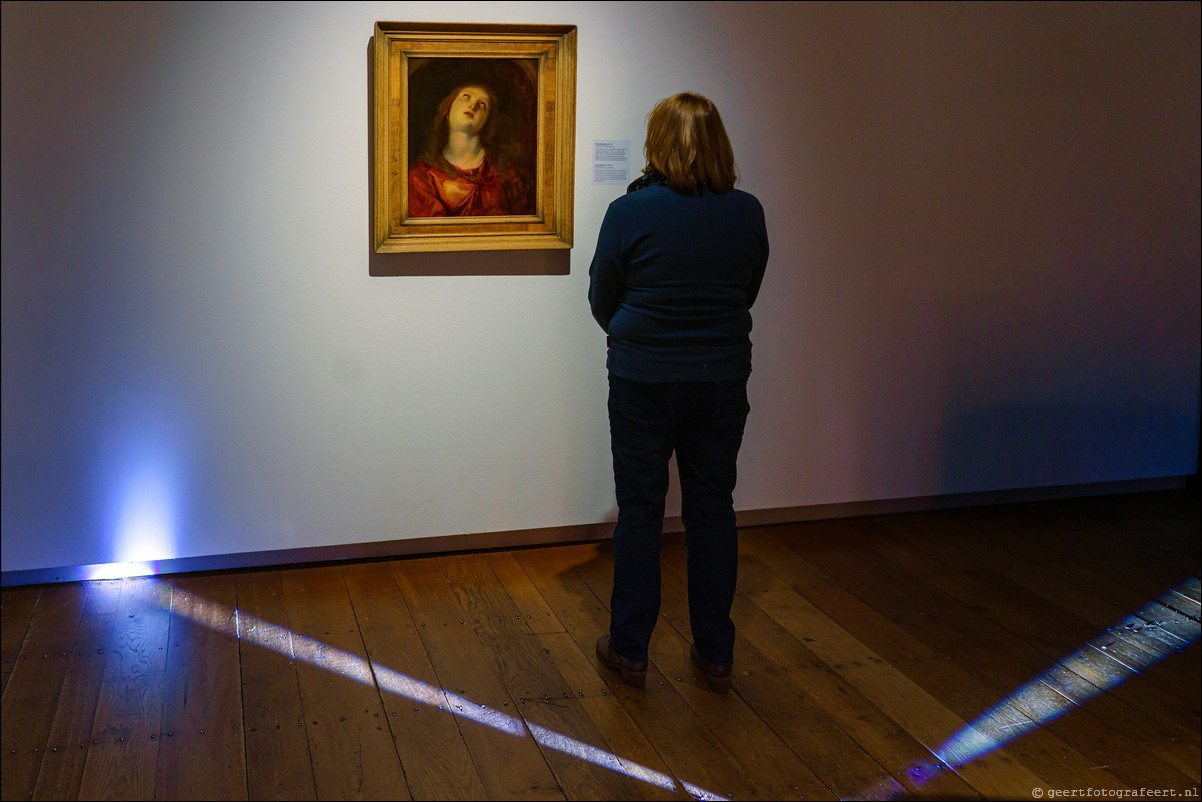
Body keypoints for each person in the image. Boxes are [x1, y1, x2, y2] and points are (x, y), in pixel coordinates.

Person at [588, 92, 769, 693]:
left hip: (643, 376)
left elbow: (601, 297)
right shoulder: (746, 211)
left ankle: (632, 649)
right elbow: (747, 288)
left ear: (657, 143)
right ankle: (716, 653)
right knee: (712, 510)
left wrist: (637, 332)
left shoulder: (628, 212)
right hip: (720, 376)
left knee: (641, 510)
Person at [407, 82, 533, 217]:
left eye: (483, 105)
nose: (473, 106)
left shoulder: (511, 175)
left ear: (487, 122)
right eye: (466, 97)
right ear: (447, 111)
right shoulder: (421, 176)